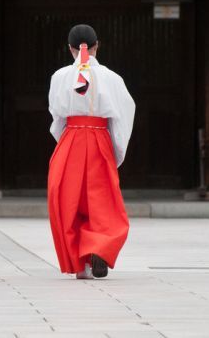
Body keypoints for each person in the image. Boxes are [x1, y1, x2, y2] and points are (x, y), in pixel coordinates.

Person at [47, 24, 135, 279]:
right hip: (99, 139)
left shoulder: (60, 76)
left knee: (68, 199)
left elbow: (56, 116)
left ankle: (79, 261)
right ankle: (99, 248)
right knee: (102, 200)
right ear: (97, 46)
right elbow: (123, 116)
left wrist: (65, 140)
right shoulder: (112, 78)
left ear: (70, 49)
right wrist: (116, 152)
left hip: (71, 138)